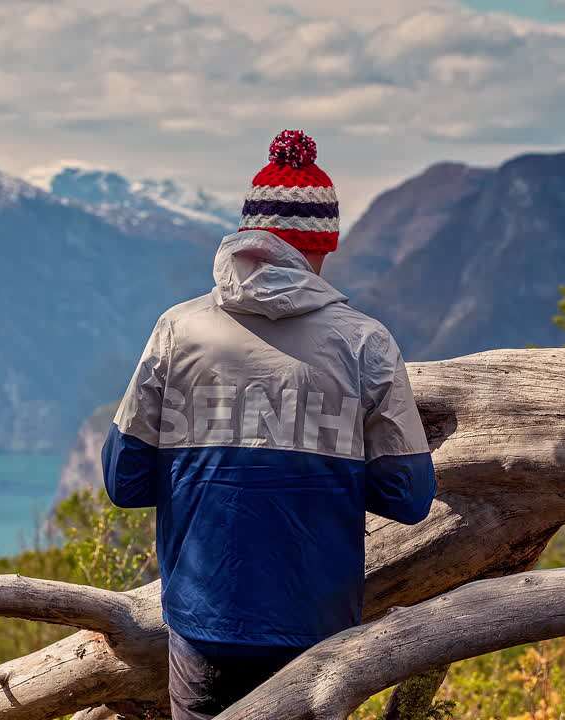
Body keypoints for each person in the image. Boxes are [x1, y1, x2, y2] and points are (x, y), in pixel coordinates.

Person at [101, 129, 436, 719]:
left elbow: (124, 482)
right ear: (324, 245)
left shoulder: (178, 332)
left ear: (249, 237)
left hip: (204, 621)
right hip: (316, 625)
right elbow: (408, 498)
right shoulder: (365, 343)